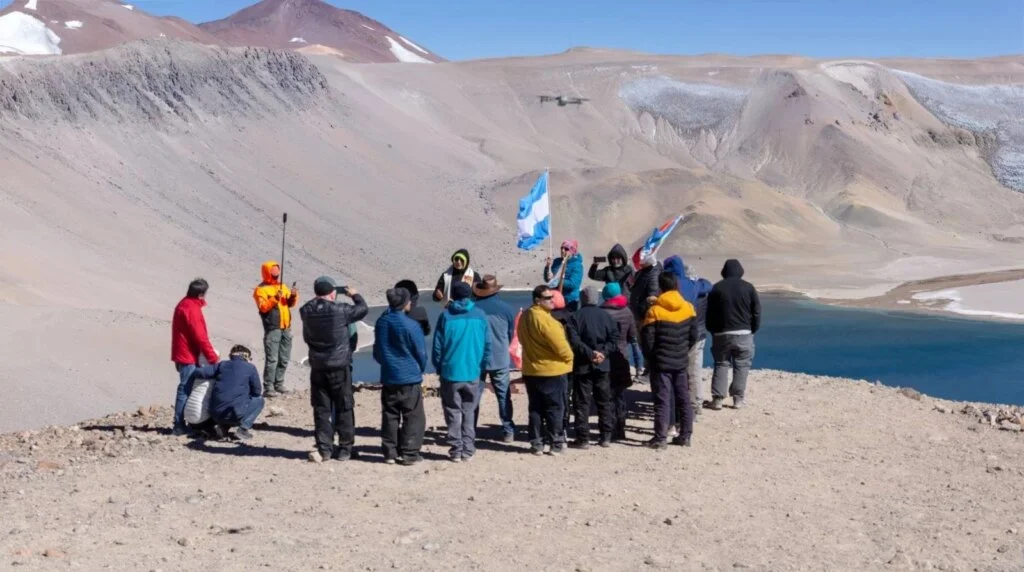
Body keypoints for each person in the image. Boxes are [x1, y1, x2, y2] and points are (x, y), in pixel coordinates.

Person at [299, 276, 368, 463]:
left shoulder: (305, 311)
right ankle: (345, 448)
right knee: (344, 405)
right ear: (331, 293)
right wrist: (355, 295)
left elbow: (309, 307)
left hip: (318, 366)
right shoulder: (340, 310)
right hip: (339, 365)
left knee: (322, 408)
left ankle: (324, 449)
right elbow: (363, 310)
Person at [432, 281, 490, 462]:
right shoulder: (480, 315)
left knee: (452, 411)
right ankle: (468, 448)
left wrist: (439, 368)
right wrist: (482, 367)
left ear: (453, 296)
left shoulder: (446, 316)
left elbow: (437, 347)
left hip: (450, 372)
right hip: (473, 371)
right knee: (469, 410)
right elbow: (487, 345)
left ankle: (456, 449)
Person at [641, 273, 699, 450]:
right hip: (681, 361)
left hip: (661, 363)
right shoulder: (688, 308)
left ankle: (660, 438)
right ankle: (686, 435)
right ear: (676, 286)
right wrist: (682, 350)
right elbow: (693, 336)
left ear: (660, 287)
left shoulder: (654, 311)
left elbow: (648, 341)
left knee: (662, 399)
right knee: (683, 398)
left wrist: (651, 359)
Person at [373, 288, 428, 465]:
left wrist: (386, 364)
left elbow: (377, 351)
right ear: (404, 303)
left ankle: (390, 452)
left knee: (390, 414)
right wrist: (419, 368)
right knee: (413, 415)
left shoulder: (382, 322)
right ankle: (410, 452)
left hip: (389, 375)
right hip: (409, 376)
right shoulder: (411, 325)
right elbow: (421, 352)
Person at [518, 285, 574, 456]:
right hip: (551, 370)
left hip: (531, 369)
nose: (552, 300)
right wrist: (569, 358)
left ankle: (536, 443)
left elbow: (520, 337)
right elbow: (561, 346)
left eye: (552, 297)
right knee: (555, 408)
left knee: (535, 408)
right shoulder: (547, 321)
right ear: (537, 300)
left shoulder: (525, 316)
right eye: (548, 298)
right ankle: (556, 443)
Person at [567, 287, 619, 448]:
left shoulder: (574, 317)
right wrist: (602, 353)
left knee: (582, 402)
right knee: (604, 400)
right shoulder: (607, 316)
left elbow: (574, 342)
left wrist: (590, 354)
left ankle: (583, 438)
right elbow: (614, 338)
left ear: (582, 299)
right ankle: (605, 436)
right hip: (602, 364)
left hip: (583, 364)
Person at [706, 259, 761, 410]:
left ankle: (717, 399)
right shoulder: (749, 288)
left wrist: (712, 330)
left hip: (721, 334)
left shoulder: (716, 288)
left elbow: (709, 313)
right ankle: (738, 399)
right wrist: (752, 329)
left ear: (724, 272)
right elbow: (756, 311)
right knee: (742, 365)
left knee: (721, 364)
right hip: (744, 333)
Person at [170, 278, 220, 436]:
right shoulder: (191, 309)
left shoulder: (184, 304)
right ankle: (179, 425)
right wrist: (212, 357)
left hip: (183, 353)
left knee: (187, 387)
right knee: (185, 388)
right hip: (188, 355)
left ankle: (185, 424)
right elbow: (200, 336)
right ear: (200, 294)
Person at [472, 275, 518, 443]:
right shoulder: (506, 309)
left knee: (474, 396)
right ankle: (508, 430)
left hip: (478, 359)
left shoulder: (473, 309)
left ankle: (470, 430)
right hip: (500, 358)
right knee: (503, 395)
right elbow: (510, 333)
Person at [590, 244, 644, 380]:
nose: (615, 261)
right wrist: (595, 265)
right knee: (613, 338)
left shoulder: (628, 270)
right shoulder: (607, 270)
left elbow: (635, 284)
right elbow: (593, 275)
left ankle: (639, 368)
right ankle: (611, 365)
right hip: (611, 306)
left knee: (633, 339)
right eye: (613, 258)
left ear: (623, 258)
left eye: (618, 258)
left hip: (627, 307)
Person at [192, 345, 264, 441]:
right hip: (235, 414)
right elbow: (257, 391)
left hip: (215, 415)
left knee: (228, 401)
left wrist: (189, 367)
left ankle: (223, 428)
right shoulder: (250, 368)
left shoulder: (222, 365)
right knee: (259, 400)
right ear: (246, 357)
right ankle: (243, 429)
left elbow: (202, 373)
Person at [253, 261, 299, 397]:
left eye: (277, 270)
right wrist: (274, 298)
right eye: (273, 270)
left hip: (285, 327)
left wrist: (293, 295)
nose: (276, 273)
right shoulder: (261, 290)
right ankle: (269, 387)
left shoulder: (282, 286)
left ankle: (279, 383)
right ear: (267, 272)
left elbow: (289, 304)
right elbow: (263, 307)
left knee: (284, 358)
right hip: (273, 328)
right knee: (272, 359)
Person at [599, 282, 638, 442]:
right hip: (622, 356)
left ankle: (607, 431)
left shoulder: (601, 312)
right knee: (620, 395)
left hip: (605, 357)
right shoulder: (627, 311)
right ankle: (620, 429)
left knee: (606, 396)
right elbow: (632, 334)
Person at [544, 240, 584, 311]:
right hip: (555, 299)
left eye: (566, 249)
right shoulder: (557, 262)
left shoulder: (577, 265)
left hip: (570, 301)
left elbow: (574, 284)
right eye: (561, 248)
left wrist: (559, 281)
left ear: (572, 250)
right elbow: (548, 279)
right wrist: (547, 267)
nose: (562, 251)